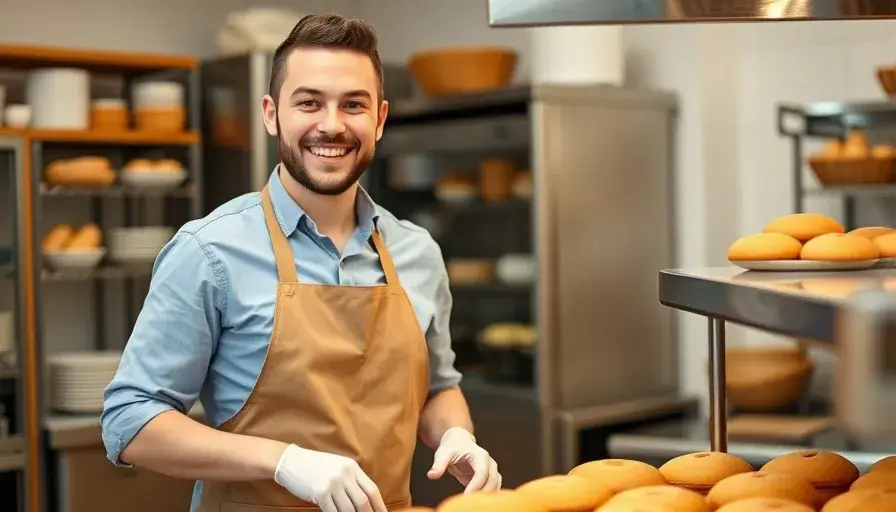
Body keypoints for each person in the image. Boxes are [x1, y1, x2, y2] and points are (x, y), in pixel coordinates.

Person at [100, 13, 501, 512]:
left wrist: (456, 435)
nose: (331, 125)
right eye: (309, 102)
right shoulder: (208, 251)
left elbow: (438, 388)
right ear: (271, 114)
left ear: (379, 118)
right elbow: (130, 421)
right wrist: (282, 460)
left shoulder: (417, 251)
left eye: (353, 105)